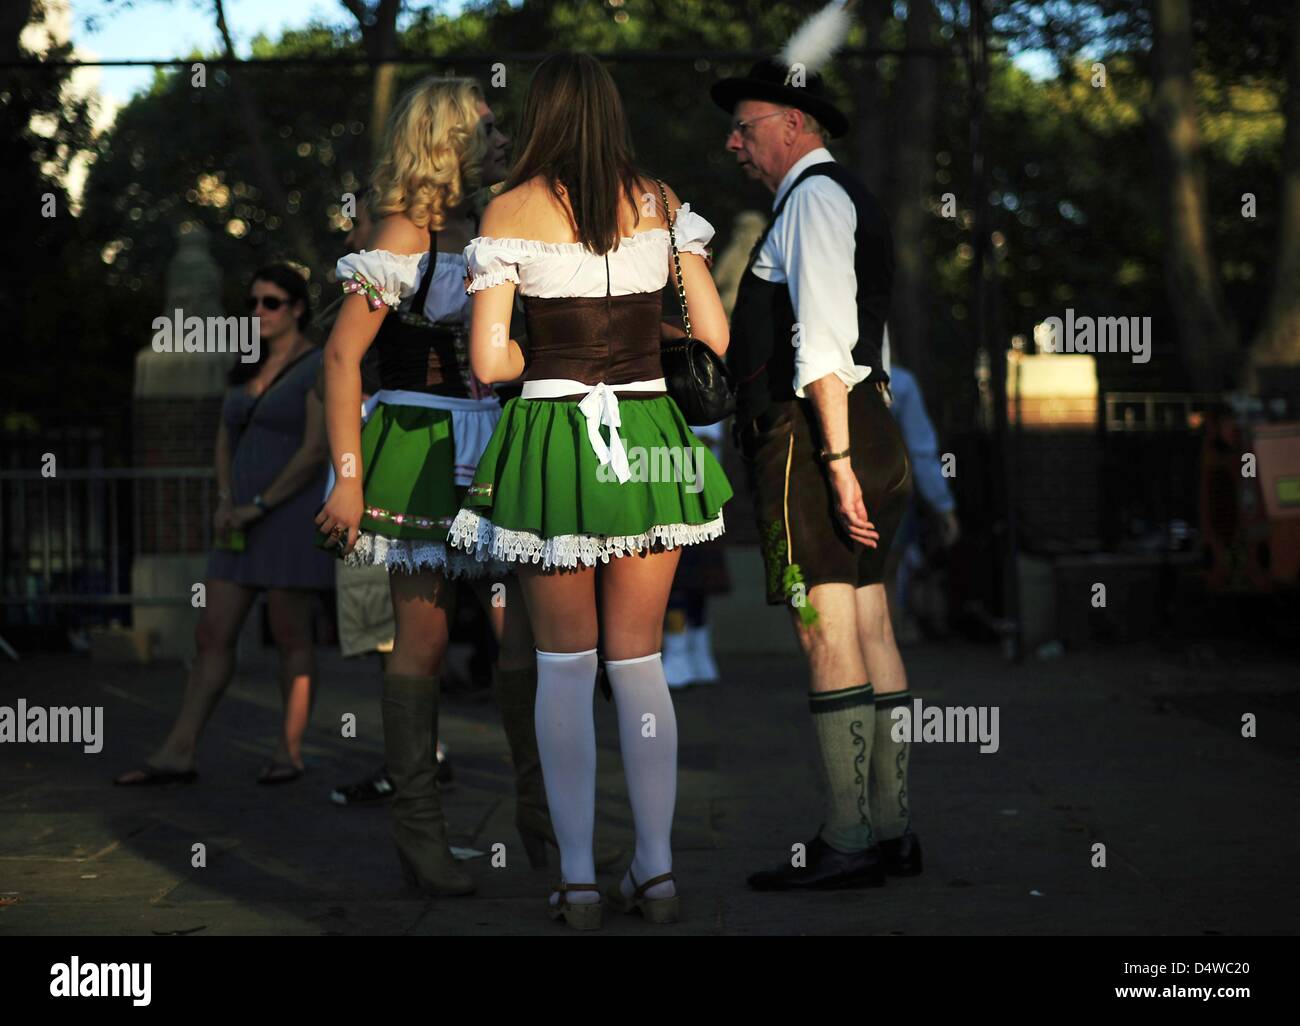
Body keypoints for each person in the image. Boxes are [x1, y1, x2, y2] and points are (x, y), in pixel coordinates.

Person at [446, 52, 733, 929]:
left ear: (540, 115)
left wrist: (557, 358)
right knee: (640, 666)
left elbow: (491, 361)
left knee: (563, 673)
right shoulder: (663, 202)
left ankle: (575, 881)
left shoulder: (507, 210)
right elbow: (715, 336)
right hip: (650, 436)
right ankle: (657, 873)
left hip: (552, 436)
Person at [314, 77, 546, 897]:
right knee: (424, 640)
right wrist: (347, 481)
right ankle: (420, 839)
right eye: (483, 129)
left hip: (498, 442)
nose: (499, 140)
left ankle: (547, 832)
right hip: (416, 442)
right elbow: (341, 359)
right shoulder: (405, 231)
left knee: (527, 637)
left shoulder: (498, 217)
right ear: (444, 138)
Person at [712, 32, 922, 891]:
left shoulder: (813, 202)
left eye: (745, 125)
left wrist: (832, 462)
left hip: (816, 436)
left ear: (793, 123)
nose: (734, 142)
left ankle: (848, 838)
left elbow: (826, 345)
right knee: (870, 625)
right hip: (859, 428)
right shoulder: (835, 198)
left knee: (825, 628)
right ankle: (889, 832)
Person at [115, 263, 333, 787]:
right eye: (254, 301)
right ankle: (178, 750)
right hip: (237, 518)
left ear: (297, 308)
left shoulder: (318, 365)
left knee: (289, 634)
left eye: (271, 302)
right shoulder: (244, 363)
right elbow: (223, 437)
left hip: (287, 516)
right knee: (212, 632)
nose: (259, 311)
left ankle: (289, 750)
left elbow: (315, 450)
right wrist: (225, 500)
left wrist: (260, 504)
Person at [883, 364, 960, 643]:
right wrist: (943, 505)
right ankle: (880, 663)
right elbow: (921, 451)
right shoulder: (900, 383)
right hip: (889, 491)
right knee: (883, 580)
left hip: (840, 488)